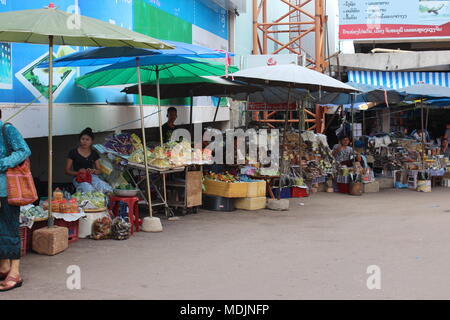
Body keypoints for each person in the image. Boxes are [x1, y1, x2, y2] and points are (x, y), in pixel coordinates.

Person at [0, 112, 31, 292]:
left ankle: (15, 272)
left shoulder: (7, 129)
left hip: (8, 190)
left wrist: (3, 162)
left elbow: (24, 150)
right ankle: (4, 267)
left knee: (10, 228)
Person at [65, 128, 112, 194]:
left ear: (91, 141)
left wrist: (94, 171)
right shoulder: (73, 152)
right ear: (79, 140)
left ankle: (105, 202)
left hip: (92, 176)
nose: (85, 141)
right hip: (79, 178)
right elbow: (67, 171)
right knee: (87, 188)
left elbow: (99, 170)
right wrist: (79, 173)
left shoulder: (94, 153)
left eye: (87, 139)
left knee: (103, 186)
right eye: (83, 139)